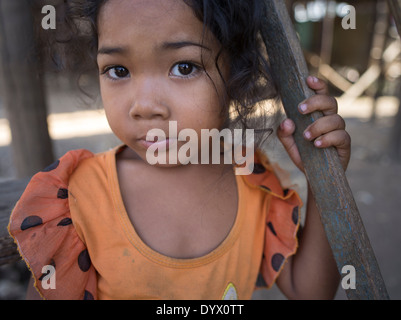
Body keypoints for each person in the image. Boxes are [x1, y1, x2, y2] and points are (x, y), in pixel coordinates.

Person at [8, 0, 350, 300]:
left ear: (237, 74)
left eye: (184, 67)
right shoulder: (78, 197)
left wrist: (323, 180)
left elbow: (312, 291)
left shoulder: (255, 182)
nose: (144, 106)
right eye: (118, 70)